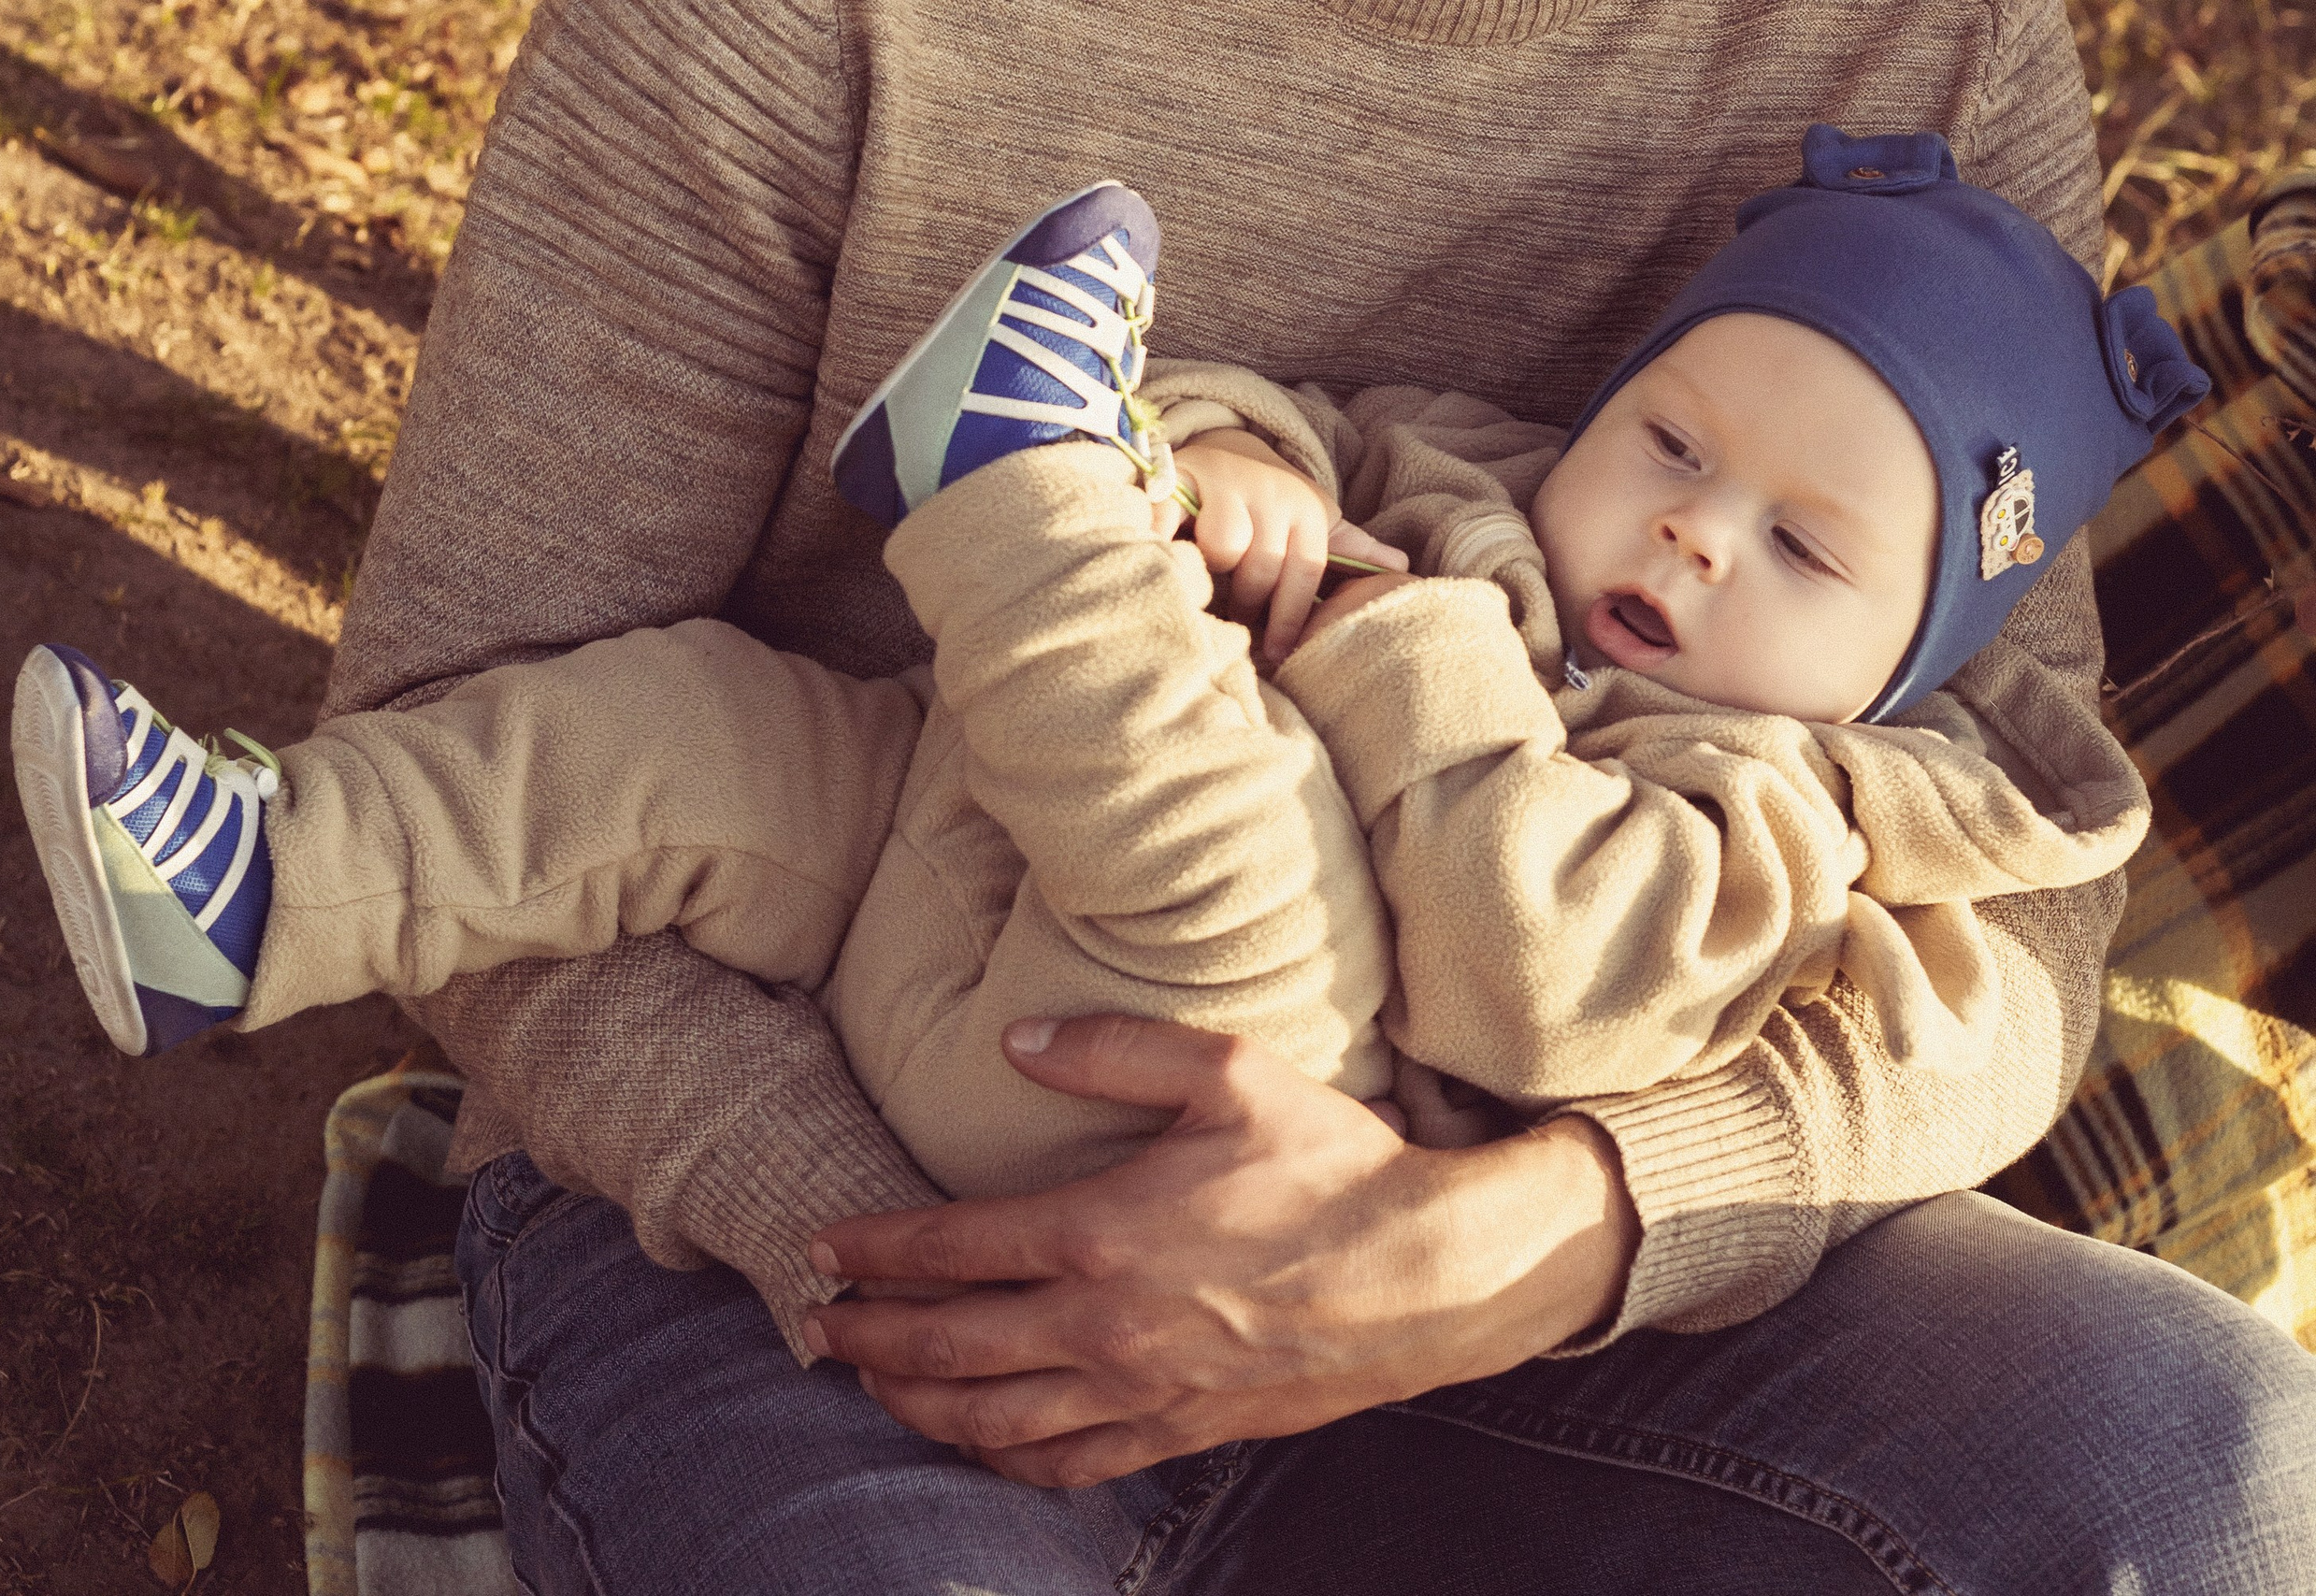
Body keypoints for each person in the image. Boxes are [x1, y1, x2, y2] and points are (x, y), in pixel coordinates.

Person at [146, 0, 2316, 1586]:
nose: (1683, 538)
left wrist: (1543, 1233)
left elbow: (2013, 901)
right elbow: (472, 693)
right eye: (1663, 451)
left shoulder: (1919, 46)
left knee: (2187, 1465)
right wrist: (908, 1245)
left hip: (1514, 1212)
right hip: (845, 1121)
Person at [14, 137, 2186, 1215]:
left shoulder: (1784, 810)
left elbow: (1534, 975)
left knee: (1244, 857)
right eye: (1671, 439)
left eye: (1799, 545)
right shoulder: (1484, 479)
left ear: (1904, 657)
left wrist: (1361, 628)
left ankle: (1002, 488)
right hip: (922, 857)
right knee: (689, 733)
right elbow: (1310, 433)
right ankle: (260, 890)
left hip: (1149, 1085)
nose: (1691, 526)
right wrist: (1224, 460)